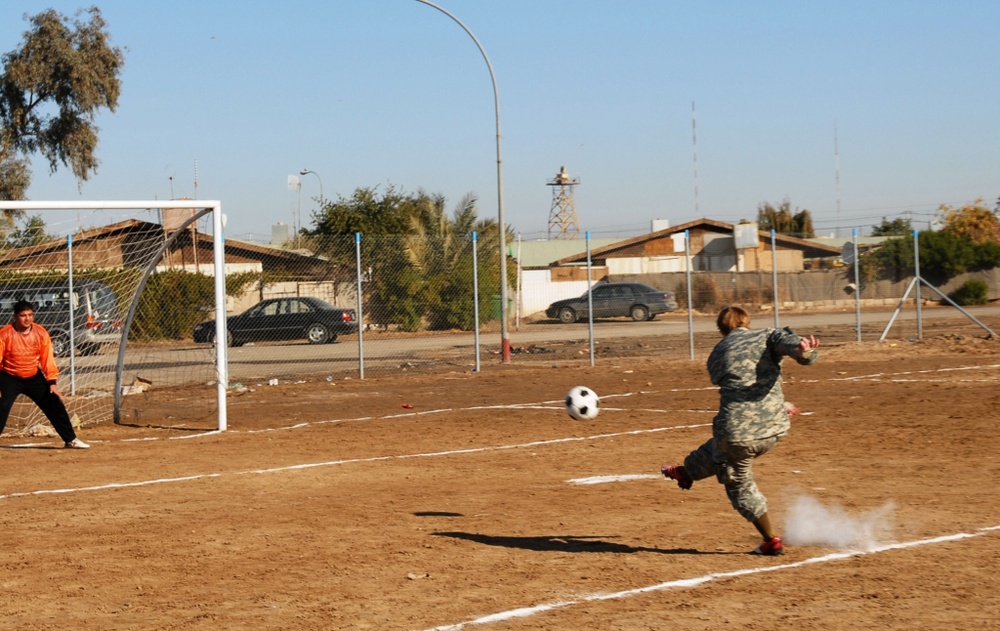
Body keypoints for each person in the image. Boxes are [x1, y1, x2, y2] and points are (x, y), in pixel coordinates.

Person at [661, 306, 818, 556]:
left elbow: (722, 377)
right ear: (747, 321)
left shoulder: (716, 353)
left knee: (737, 479)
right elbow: (792, 345)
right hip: (775, 425)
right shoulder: (768, 335)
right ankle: (686, 472)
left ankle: (770, 540)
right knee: (718, 452)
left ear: (721, 329)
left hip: (737, 433)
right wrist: (803, 352)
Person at [0, 300, 89, 449]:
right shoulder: (4, 334)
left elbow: (47, 359)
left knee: (54, 403)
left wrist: (52, 382)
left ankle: (70, 439)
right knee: (2, 405)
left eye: (30, 315)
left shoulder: (41, 333)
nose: (27, 318)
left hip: (33, 375)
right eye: (23, 315)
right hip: (9, 376)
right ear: (15, 316)